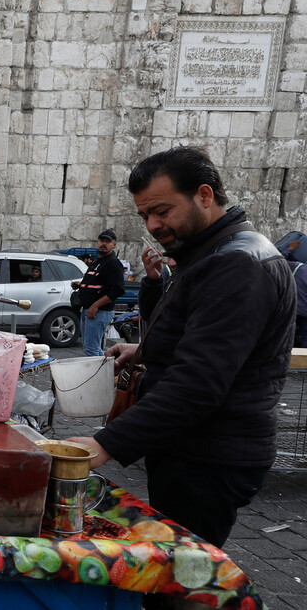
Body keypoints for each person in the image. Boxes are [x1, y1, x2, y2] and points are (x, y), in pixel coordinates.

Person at [68, 146, 295, 550]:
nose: (152, 224)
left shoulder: (236, 264)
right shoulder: (211, 253)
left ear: (204, 196)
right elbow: (200, 336)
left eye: (161, 210)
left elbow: (199, 382)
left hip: (209, 455)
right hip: (191, 447)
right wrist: (141, 350)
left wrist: (107, 442)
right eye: (144, 216)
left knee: (183, 578)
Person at [72, 229, 125, 356]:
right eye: (102, 240)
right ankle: (109, 371)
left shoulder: (113, 263)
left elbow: (118, 289)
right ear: (97, 242)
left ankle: (103, 374)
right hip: (88, 309)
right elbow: (100, 282)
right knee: (91, 348)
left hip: (99, 311)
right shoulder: (98, 261)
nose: (104, 244)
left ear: (114, 245)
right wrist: (82, 285)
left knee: (91, 349)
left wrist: (96, 305)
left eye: (108, 241)